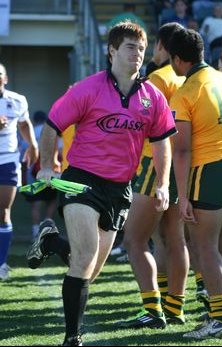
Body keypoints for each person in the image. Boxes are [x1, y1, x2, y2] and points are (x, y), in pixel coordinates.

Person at [26, 21, 177, 346]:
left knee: (89, 269)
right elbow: (53, 125)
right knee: (84, 257)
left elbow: (162, 142)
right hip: (81, 180)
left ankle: (51, 242)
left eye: (142, 48)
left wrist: (163, 183)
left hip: (119, 188)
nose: (138, 54)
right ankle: (72, 338)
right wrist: (49, 166)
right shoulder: (87, 88)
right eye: (130, 47)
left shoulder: (153, 97)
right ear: (112, 51)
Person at [115, 22, 190, 330]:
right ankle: (175, 307)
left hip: (154, 164)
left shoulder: (157, 78)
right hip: (179, 167)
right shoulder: (181, 77)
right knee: (174, 239)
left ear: (161, 47)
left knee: (134, 239)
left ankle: (153, 309)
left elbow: (141, 123)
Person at [168, 27, 222, 339]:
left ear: (178, 60)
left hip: (208, 170)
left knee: (206, 246)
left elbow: (181, 149)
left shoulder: (185, 92)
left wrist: (182, 195)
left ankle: (220, 318)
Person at [0, 63, 38, 280]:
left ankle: (1, 262)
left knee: (3, 211)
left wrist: (32, 144)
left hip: (7, 160)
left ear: (5, 78)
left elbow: (24, 124)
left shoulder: (16, 100)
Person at [20, 110, 62, 241]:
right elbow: (61, 152)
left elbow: (22, 157)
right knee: (52, 200)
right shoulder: (51, 132)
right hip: (51, 171)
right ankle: (47, 228)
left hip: (33, 174)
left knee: (36, 204)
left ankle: (35, 233)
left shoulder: (27, 134)